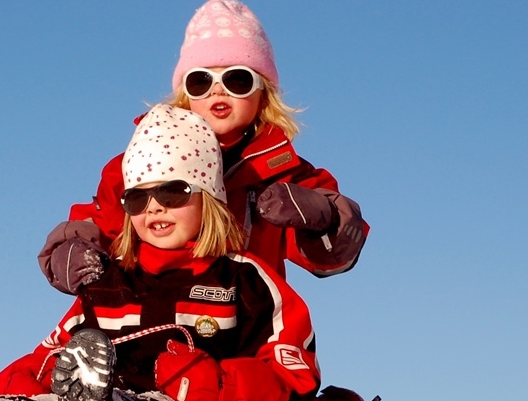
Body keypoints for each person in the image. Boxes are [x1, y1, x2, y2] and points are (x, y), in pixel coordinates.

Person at [0, 105, 404, 401]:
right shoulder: (110, 282)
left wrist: (219, 388)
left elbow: (292, 380)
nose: (154, 206)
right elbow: (48, 353)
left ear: (208, 199)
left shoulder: (245, 280)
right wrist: (31, 382)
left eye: (174, 192)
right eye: (139, 197)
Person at [39, 0, 368, 297]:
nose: (217, 91)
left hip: (247, 320)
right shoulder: (145, 162)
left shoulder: (284, 173)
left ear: (263, 92)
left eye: (237, 79)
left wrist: (322, 218)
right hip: (156, 312)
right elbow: (104, 220)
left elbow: (332, 258)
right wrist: (74, 247)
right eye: (201, 81)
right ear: (186, 93)